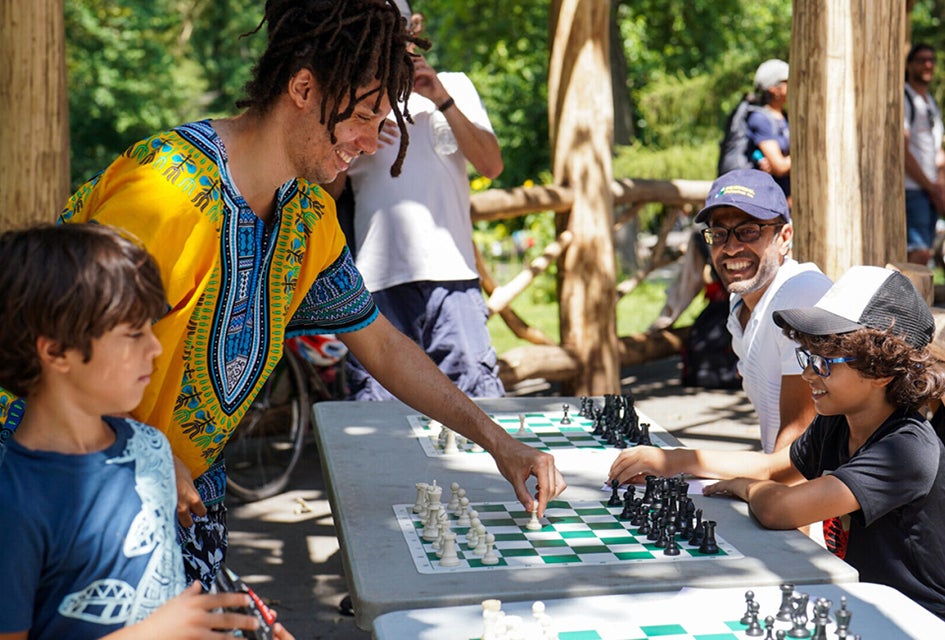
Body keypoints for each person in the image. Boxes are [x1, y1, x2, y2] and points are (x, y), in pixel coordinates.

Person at [40, 0, 565, 590]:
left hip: (185, 507)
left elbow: (383, 345)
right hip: (71, 504)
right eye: (364, 116)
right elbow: (53, 352)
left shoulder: (309, 215)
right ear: (304, 87)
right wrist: (145, 450)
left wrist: (500, 444)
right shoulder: (162, 193)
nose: (371, 142)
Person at [0, 224, 294, 640]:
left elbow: (164, 603)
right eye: (134, 333)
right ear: (56, 352)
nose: (155, 348)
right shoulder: (13, 502)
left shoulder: (153, 450)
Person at [610, 265, 945, 619]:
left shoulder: (905, 448)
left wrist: (744, 487)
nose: (808, 373)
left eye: (826, 362)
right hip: (862, 602)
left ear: (882, 370)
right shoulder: (836, 422)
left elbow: (780, 509)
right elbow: (773, 466)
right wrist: (674, 460)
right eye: (809, 355)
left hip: (916, 618)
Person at [331, 5, 505, 400]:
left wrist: (441, 98)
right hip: (376, 285)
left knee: (477, 405)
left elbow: (491, 165)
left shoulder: (454, 84)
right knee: (382, 422)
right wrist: (360, 137)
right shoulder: (350, 96)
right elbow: (328, 194)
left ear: (415, 27)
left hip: (453, 278)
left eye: (399, 25)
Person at [695, 169, 832, 452]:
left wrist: (683, 461)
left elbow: (799, 454)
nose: (731, 248)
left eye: (749, 231)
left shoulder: (801, 294)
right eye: (719, 234)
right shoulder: (740, 303)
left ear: (784, 237)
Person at [903, 42, 945, 266]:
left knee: (926, 253)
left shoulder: (930, 103)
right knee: (917, 254)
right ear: (909, 65)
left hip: (930, 191)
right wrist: (931, 186)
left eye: (932, 60)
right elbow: (902, 149)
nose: (928, 64)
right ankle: (909, 302)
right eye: (921, 60)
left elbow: (937, 149)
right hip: (912, 189)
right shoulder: (904, 98)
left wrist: (940, 185)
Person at [747, 59, 791, 200]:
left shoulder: (786, 117)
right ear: (774, 88)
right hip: (768, 201)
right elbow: (779, 166)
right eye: (788, 82)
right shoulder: (761, 119)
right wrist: (809, 154)